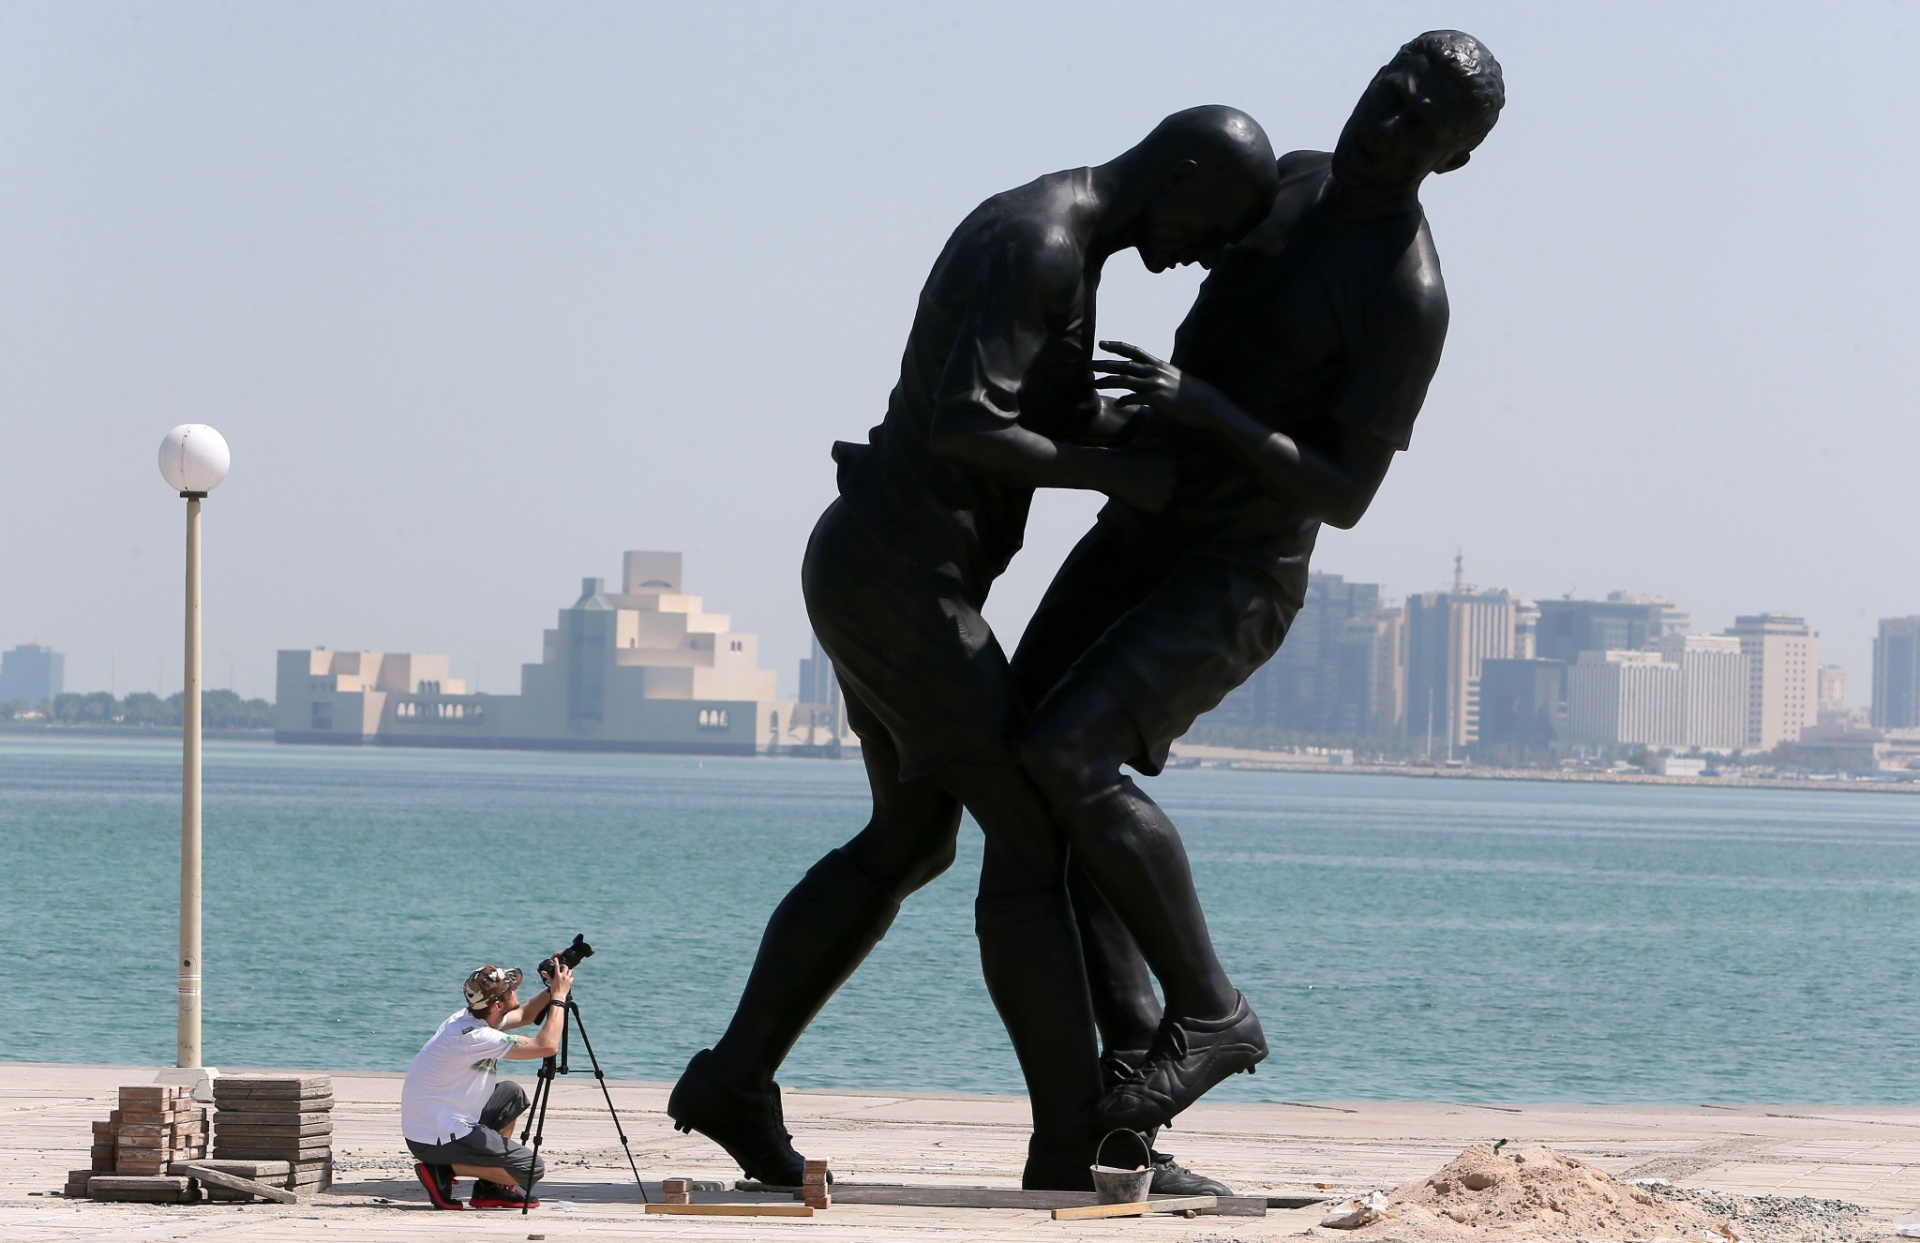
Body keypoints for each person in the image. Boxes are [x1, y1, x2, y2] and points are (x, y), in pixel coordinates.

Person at [668, 106, 1280, 1191]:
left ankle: (734, 1079)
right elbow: (964, 421)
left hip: (885, 576)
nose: (1209, 252)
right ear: (1180, 172)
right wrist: (1120, 475)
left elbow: (1038, 407)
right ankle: (1074, 1141)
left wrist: (1166, 429)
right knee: (1034, 830)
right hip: (899, 588)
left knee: (910, 841)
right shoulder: (1039, 243)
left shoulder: (1068, 246)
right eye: (1218, 222)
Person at [1012, 29, 1506, 1134]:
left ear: (1451, 160)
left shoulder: (1405, 295)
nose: (1387, 123)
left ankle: (1213, 1011)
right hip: (1142, 524)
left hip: (1237, 575)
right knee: (1029, 767)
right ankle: (1133, 1074)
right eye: (1391, 92)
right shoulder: (1290, 180)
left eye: (1422, 123)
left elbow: (1343, 491)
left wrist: (1208, 410)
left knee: (1069, 752)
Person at [402, 959, 575, 1211]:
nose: (516, 992)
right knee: (531, 1169)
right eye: (511, 990)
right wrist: (559, 997)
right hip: (434, 1138)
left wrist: (553, 986)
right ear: (497, 1004)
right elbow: (546, 1045)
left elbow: (526, 1014)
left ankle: (489, 1188)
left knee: (510, 1093)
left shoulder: (470, 1018)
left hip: (437, 1121)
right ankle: (439, 1169)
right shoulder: (476, 1036)